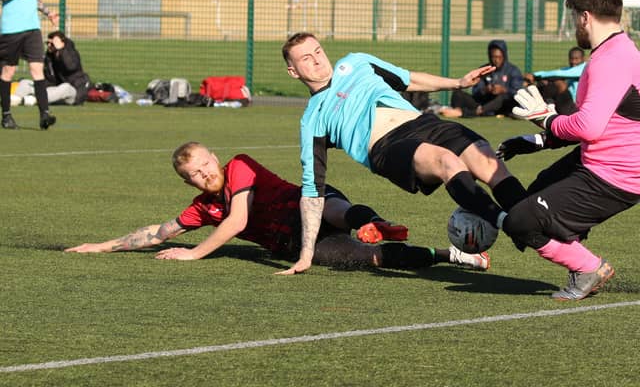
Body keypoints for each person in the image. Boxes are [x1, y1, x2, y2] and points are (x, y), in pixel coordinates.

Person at [280, 32, 529, 275]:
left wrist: (459, 83)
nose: (316, 59)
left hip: (422, 123)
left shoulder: (356, 62)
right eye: (305, 58)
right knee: (447, 162)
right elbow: (313, 190)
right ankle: (508, 223)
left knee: (485, 159)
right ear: (293, 71)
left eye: (318, 51)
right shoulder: (312, 119)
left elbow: (408, 79)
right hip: (387, 146)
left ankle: (533, 220)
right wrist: (306, 253)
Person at [66, 141, 490, 272]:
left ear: (214, 158)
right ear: (186, 180)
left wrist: (195, 252)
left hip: (307, 208)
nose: (203, 175)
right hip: (291, 245)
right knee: (372, 260)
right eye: (193, 175)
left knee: (332, 209)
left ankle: (376, 222)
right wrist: (101, 246)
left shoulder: (241, 167)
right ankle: (451, 254)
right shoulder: (201, 208)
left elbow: (238, 220)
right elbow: (160, 232)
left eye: (204, 166)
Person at [497, 0, 640, 301]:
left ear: (585, 17)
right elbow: (598, 123)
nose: (575, 25)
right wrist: (538, 140)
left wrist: (545, 118)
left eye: (575, 17)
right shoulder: (618, 51)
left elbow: (588, 127)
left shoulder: (611, 60)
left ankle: (589, 267)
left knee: (520, 222)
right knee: (532, 196)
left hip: (614, 176)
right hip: (604, 161)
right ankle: (576, 251)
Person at [0, 0, 58, 130]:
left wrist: (48, 12)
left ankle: (45, 114)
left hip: (32, 28)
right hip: (11, 30)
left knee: (36, 69)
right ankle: (7, 116)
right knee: (8, 71)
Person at [440, 39, 524, 118]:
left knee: (502, 97)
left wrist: (504, 90)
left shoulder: (513, 70)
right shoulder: (484, 69)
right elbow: (475, 92)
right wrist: (485, 90)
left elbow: (518, 93)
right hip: (485, 103)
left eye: (499, 57)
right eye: (493, 57)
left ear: (504, 56)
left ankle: (472, 112)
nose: (496, 60)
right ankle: (458, 110)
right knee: (458, 93)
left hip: (504, 105)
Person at [12, 30, 91, 106]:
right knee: (26, 82)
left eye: (52, 44)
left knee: (65, 87)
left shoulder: (71, 53)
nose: (49, 45)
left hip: (73, 92)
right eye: (48, 43)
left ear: (62, 43)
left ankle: (36, 99)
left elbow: (70, 66)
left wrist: (61, 50)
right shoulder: (49, 58)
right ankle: (16, 99)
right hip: (54, 91)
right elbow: (48, 79)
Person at [523, 46, 586, 115]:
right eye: (571, 59)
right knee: (545, 82)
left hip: (580, 107)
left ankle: (548, 107)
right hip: (569, 102)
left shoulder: (584, 68)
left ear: (583, 59)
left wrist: (534, 76)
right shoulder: (569, 70)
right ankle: (543, 105)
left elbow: (558, 74)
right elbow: (555, 72)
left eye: (577, 59)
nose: (573, 62)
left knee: (559, 83)